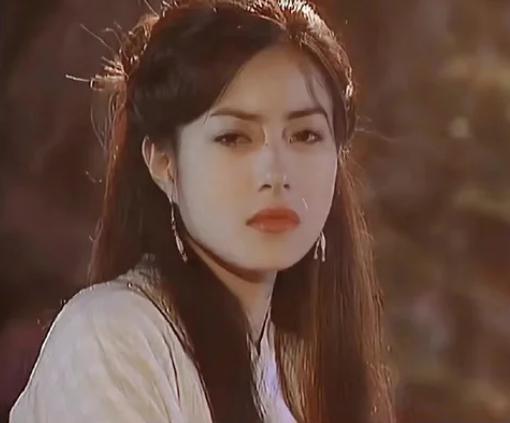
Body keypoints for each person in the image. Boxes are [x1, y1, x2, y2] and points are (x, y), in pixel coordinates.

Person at [10, 0, 394, 421]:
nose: (276, 173)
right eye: (234, 137)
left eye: (305, 135)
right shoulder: (112, 338)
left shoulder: (298, 369)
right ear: (164, 164)